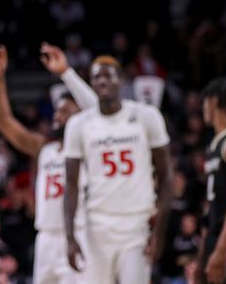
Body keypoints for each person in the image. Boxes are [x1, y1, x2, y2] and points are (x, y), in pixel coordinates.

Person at [62, 55, 174, 283]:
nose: (102, 82)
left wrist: (159, 232)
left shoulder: (146, 116)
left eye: (108, 76)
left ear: (121, 80)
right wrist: (70, 237)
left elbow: (167, 176)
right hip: (96, 226)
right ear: (91, 84)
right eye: (96, 77)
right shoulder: (78, 124)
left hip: (137, 225)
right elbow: (71, 184)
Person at [0, 45, 88, 283]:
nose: (57, 115)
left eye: (64, 111)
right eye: (56, 111)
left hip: (78, 235)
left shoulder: (89, 149)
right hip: (45, 238)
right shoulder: (45, 148)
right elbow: (3, 122)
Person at [196, 78, 226, 284]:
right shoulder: (217, 142)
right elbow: (213, 202)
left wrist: (221, 250)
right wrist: (203, 253)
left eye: (204, 102)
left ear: (213, 101)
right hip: (216, 235)